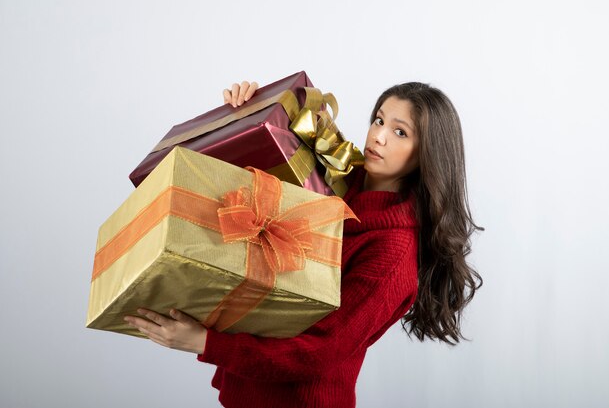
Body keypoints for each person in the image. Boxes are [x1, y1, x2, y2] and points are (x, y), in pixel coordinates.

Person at [125, 79, 483, 407]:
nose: (379, 137)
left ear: (427, 155)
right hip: (249, 390)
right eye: (379, 120)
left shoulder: (393, 256)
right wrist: (250, 109)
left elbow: (320, 352)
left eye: (400, 132)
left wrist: (205, 343)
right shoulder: (340, 171)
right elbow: (254, 171)